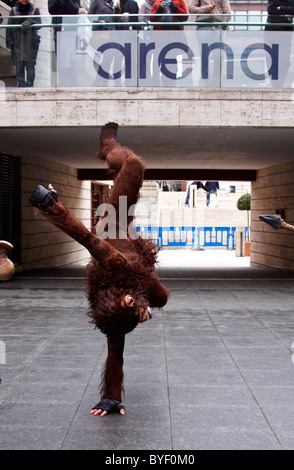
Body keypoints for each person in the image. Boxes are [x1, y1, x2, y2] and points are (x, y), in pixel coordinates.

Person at [29, 123, 170, 416]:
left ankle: (108, 145)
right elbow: (114, 355)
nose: (138, 311)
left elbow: (85, 237)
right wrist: (111, 398)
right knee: (161, 298)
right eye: (138, 313)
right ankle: (146, 304)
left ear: (120, 298)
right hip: (138, 267)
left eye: (133, 308)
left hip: (114, 223)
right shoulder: (115, 321)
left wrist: (51, 205)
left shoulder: (115, 265)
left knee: (131, 164)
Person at [6, 0, 41, 87]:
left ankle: (29, 86)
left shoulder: (34, 10)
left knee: (30, 66)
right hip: (18, 41)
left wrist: (31, 21)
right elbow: (9, 26)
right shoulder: (14, 10)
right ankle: (21, 85)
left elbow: (39, 24)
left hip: (30, 42)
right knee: (19, 66)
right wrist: (9, 40)